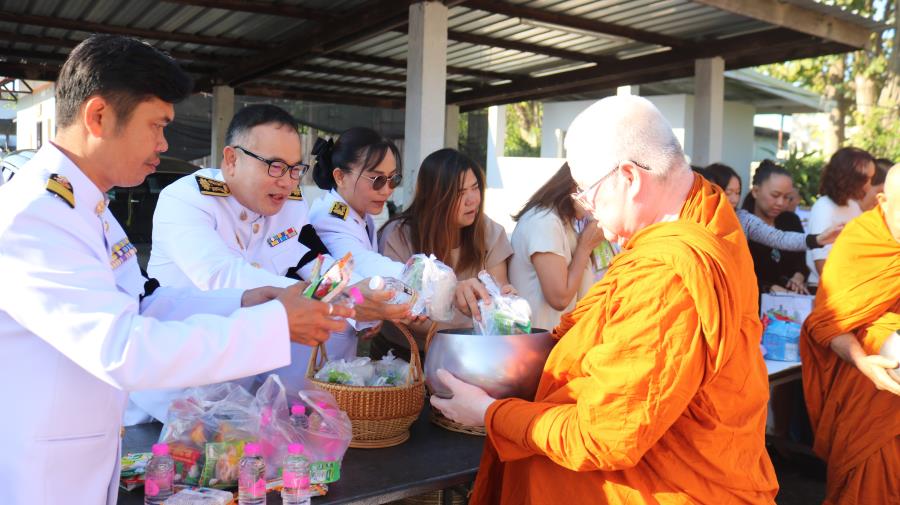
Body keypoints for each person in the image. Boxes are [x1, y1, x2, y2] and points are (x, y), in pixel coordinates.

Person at [0, 35, 352, 505]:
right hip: (39, 477)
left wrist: (247, 300)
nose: (164, 144)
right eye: (156, 125)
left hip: (82, 457)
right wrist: (274, 323)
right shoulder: (38, 215)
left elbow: (145, 300)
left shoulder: (89, 207)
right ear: (98, 116)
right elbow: (122, 347)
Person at [431, 96, 777, 504]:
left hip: (663, 488)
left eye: (588, 192)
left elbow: (606, 435)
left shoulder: (668, 271)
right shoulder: (707, 212)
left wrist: (489, 414)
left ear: (629, 177)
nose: (587, 208)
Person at [127, 104, 410, 423]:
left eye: (295, 169)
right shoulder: (187, 199)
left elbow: (312, 261)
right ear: (232, 160)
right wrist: (343, 301)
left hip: (247, 380)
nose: (287, 182)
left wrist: (365, 295)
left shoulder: (290, 205)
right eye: (275, 167)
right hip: (179, 382)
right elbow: (222, 276)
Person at [799, 163, 900, 505]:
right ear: (883, 201)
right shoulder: (859, 241)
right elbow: (827, 322)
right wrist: (862, 360)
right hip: (868, 388)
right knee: (868, 481)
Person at [375, 148, 514, 359]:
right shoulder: (398, 236)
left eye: (475, 188)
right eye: (459, 193)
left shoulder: (489, 232)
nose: (472, 200)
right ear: (434, 197)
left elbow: (498, 294)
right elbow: (403, 312)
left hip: (473, 352)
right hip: (403, 356)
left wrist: (506, 303)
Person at [508, 162, 605, 330]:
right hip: (540, 341)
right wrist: (585, 247)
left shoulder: (563, 221)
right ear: (577, 186)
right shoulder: (543, 221)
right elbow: (559, 298)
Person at [308, 128, 407, 280]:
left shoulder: (362, 213)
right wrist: (424, 275)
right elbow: (363, 264)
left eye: (393, 179)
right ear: (340, 177)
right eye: (377, 179)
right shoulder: (328, 220)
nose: (387, 190)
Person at [702, 162, 841, 252]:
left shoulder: (743, 219)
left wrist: (817, 239)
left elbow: (779, 238)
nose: (734, 199)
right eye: (728, 193)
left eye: (737, 193)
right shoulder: (694, 219)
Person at [806, 147, 875, 288]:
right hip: (825, 290)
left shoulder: (853, 206)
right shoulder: (823, 207)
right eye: (865, 179)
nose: (869, 186)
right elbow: (822, 266)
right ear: (849, 178)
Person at [741, 160, 810, 294]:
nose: (780, 203)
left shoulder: (791, 220)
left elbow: (802, 257)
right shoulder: (742, 224)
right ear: (755, 191)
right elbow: (739, 272)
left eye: (787, 197)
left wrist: (799, 276)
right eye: (775, 195)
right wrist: (766, 287)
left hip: (791, 300)